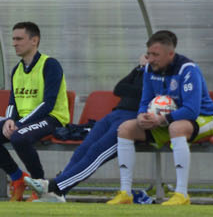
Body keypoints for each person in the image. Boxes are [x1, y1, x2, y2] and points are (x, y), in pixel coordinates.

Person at [106, 29, 213, 207]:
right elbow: (145, 101)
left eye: (155, 55)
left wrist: (161, 120)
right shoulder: (150, 69)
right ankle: (125, 193)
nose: (150, 59)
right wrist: (142, 116)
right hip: (166, 121)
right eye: (149, 54)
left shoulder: (188, 70)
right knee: (125, 128)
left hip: (204, 118)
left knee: (176, 128)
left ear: (170, 54)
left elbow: (191, 110)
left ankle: (181, 194)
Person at [33, 56, 150, 202]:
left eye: (153, 55)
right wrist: (140, 72)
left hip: (132, 118)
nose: (147, 58)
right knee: (83, 150)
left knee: (97, 152)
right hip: (115, 113)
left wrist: (136, 89)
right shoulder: (141, 70)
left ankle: (53, 186)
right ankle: (58, 192)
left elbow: (148, 94)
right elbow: (119, 88)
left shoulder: (161, 75)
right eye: (148, 54)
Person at [0, 22, 69, 201]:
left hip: (51, 118)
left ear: (34, 41)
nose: (14, 43)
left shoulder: (50, 65)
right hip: (23, 120)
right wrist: (10, 119)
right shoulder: (17, 70)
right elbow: (13, 101)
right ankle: (17, 178)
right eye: (13, 39)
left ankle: (41, 186)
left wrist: (19, 124)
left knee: (19, 136)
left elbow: (48, 104)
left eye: (19, 39)